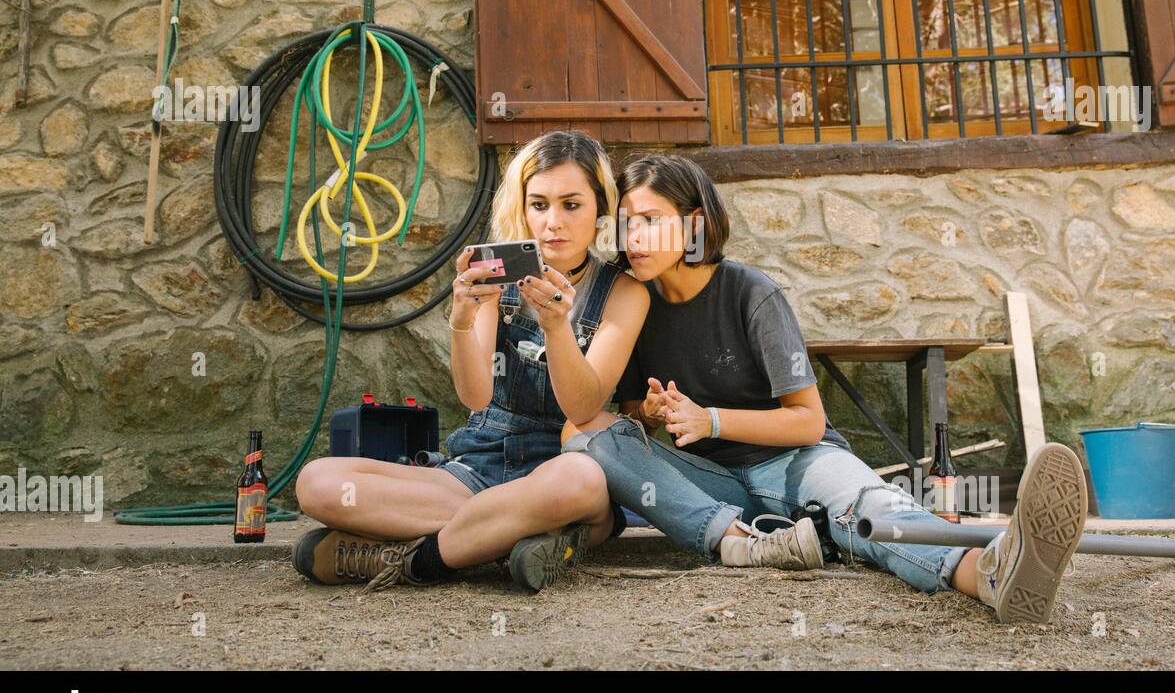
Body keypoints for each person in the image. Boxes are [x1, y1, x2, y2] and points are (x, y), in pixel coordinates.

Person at [559, 153, 1090, 623]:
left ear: (695, 223)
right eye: (626, 225)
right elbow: (631, 418)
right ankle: (743, 545)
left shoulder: (750, 293)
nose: (634, 240)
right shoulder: (632, 304)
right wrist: (651, 414)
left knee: (869, 509)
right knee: (587, 435)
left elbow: (808, 421)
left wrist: (711, 419)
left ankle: (990, 573)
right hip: (710, 488)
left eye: (650, 221)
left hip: (797, 462)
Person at [292, 131, 646, 593]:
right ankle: (511, 538)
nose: (552, 222)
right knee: (318, 482)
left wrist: (557, 328)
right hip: (482, 464)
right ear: (521, 208)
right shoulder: (496, 278)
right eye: (538, 205)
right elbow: (476, 397)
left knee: (578, 483)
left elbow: (583, 408)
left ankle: (412, 559)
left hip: (561, 465)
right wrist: (461, 320)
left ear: (600, 209)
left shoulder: (624, 292)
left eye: (571, 205)